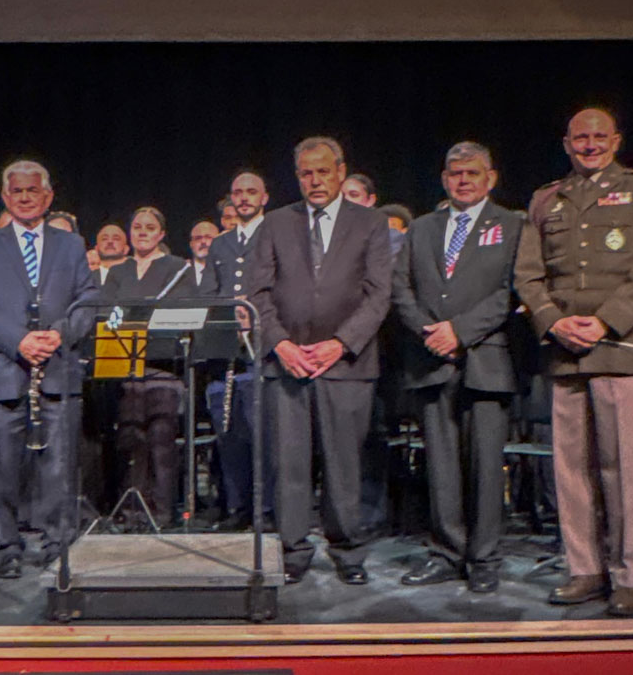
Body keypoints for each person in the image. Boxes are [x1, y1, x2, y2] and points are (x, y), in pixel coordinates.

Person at [514, 107, 633, 617]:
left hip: (623, 348)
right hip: (565, 351)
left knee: (624, 469)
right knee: (572, 470)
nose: (589, 145)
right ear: (566, 143)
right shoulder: (546, 198)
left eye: (599, 137)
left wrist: (605, 321)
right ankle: (584, 568)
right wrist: (551, 320)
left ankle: (630, 575)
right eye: (580, 138)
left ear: (616, 140)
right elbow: (528, 273)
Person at [251, 136, 392, 585]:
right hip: (286, 364)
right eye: (306, 173)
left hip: (347, 364)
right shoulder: (274, 223)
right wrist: (280, 344)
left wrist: (340, 343)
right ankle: (292, 553)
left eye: (323, 171)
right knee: (289, 464)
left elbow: (379, 294)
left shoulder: (370, 223)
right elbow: (256, 294)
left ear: (340, 171)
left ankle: (348, 552)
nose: (315, 180)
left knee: (344, 465)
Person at [393, 141, 522, 594]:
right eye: (455, 173)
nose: (463, 180)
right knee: (441, 466)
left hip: (485, 362)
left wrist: (460, 332)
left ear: (491, 177)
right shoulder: (422, 228)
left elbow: (511, 292)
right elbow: (401, 287)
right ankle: (446, 551)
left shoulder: (513, 225)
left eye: (472, 172)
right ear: (444, 178)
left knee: (486, 466)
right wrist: (431, 332)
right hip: (431, 360)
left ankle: (484, 557)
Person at [0, 162, 98, 578]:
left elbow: (88, 299)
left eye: (32, 190)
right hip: (5, 368)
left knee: (58, 465)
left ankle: (58, 542)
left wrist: (59, 334)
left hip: (58, 366)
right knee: (3, 464)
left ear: (48, 196)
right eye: (17, 191)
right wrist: (19, 341)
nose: (25, 197)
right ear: (6, 197)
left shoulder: (71, 244)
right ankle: (8, 546)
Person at [102, 207, 195, 526]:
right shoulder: (118, 271)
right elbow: (108, 316)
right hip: (126, 368)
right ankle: (131, 509)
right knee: (130, 440)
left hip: (163, 369)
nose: (142, 231)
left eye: (149, 227)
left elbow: (177, 316)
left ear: (161, 234)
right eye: (137, 226)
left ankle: (162, 510)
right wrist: (125, 320)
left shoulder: (177, 268)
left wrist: (136, 319)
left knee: (160, 439)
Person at [200, 170, 273, 530]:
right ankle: (239, 508)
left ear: (264, 197)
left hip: (268, 350)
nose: (243, 198)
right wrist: (228, 314)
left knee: (268, 436)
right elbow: (208, 296)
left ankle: (270, 511)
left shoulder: (277, 236)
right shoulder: (221, 244)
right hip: (229, 353)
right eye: (237, 192)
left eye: (251, 191)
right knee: (230, 434)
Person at [188, 219, 220, 289]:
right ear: (191, 244)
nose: (203, 241)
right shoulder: (181, 270)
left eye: (208, 237)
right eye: (198, 238)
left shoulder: (227, 270)